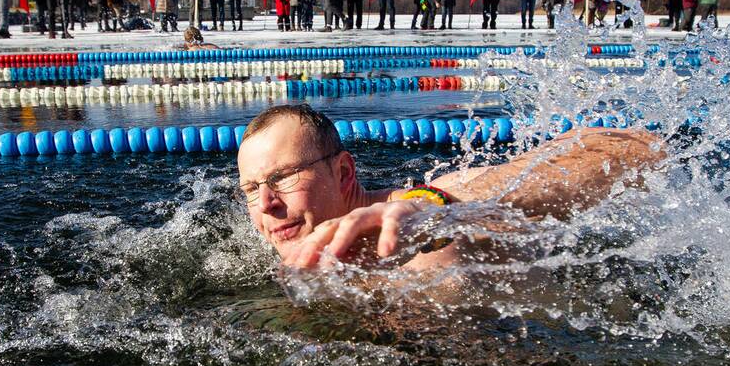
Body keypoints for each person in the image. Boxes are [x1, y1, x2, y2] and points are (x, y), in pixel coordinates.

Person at [235, 103, 664, 269]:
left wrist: (438, 211)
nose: (266, 204)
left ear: (344, 174)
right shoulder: (267, 257)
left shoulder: (424, 211)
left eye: (282, 177)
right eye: (251, 189)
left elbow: (636, 147)